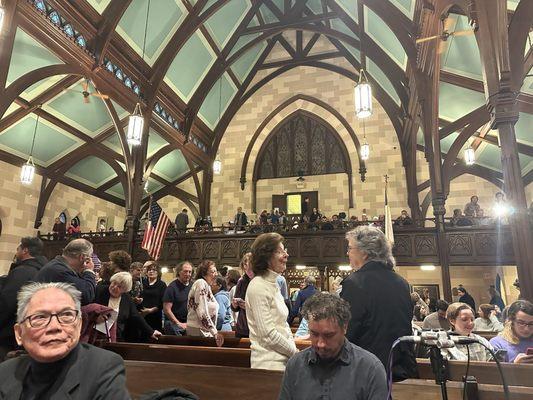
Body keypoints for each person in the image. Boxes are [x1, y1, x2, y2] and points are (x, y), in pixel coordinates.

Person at [0, 282, 130, 399]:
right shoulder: (5, 372)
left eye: (66, 315)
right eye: (40, 317)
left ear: (79, 325)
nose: (54, 327)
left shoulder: (102, 368)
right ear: (19, 333)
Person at [340, 225, 416, 381]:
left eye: (350, 248)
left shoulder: (355, 283)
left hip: (369, 372)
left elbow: (348, 331)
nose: (347, 253)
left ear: (365, 252)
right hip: (402, 367)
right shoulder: (402, 282)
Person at [279, 293, 387, 400]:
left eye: (328, 335)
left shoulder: (370, 369)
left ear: (344, 327)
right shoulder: (295, 366)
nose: (320, 344)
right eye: (314, 334)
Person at [246, 233, 298, 370]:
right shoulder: (258, 286)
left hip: (283, 360)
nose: (286, 255)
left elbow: (282, 326)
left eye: (285, 250)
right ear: (266, 256)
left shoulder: (273, 284)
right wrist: (295, 353)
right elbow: (268, 335)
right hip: (269, 365)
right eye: (280, 251)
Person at [0, 237, 47, 360]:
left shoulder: (23, 272)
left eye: (18, 249)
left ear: (25, 250)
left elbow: (7, 303)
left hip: (9, 335)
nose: (16, 252)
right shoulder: (42, 270)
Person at [95, 272, 161, 342]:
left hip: (117, 337)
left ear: (125, 290)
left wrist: (151, 332)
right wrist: (95, 317)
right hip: (96, 335)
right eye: (114, 283)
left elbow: (136, 317)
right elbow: (87, 309)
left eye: (119, 287)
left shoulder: (127, 298)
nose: (114, 287)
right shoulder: (99, 290)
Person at [35, 238, 96, 305]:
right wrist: (89, 271)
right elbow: (86, 296)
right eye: (89, 258)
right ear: (82, 257)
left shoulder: (57, 265)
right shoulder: (60, 271)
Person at [186, 260, 224, 347]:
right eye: (213, 271)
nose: (216, 274)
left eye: (216, 271)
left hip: (203, 329)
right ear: (204, 274)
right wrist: (214, 332)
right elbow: (201, 310)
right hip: (198, 329)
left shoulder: (207, 286)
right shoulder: (201, 283)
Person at [162, 261, 193, 336]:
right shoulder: (172, 288)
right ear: (179, 272)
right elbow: (166, 309)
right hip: (173, 322)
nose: (188, 274)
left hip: (188, 322)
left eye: (190, 272)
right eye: (185, 271)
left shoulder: (193, 286)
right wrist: (178, 323)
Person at [231, 253, 253, 338]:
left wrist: (249, 306)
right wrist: (234, 304)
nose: (247, 269)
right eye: (245, 265)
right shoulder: (241, 281)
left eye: (250, 266)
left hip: (256, 327)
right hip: (242, 327)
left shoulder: (261, 281)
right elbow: (235, 308)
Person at [140, 262, 167, 332]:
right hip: (142, 314)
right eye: (149, 270)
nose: (151, 271)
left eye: (154, 270)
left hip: (155, 315)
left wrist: (151, 310)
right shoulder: (142, 282)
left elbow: (162, 302)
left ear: (158, 272)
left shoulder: (162, 284)